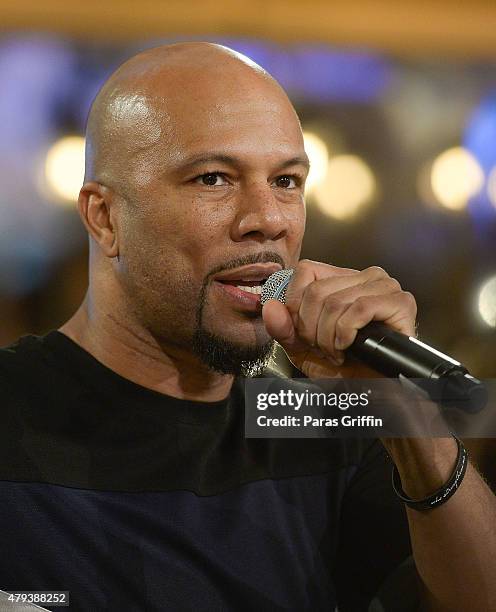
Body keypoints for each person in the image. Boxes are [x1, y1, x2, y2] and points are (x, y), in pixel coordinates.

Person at [0, 42, 495, 612]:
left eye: (286, 181)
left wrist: (412, 426)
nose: (267, 221)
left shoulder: (319, 426)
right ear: (105, 217)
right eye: (213, 179)